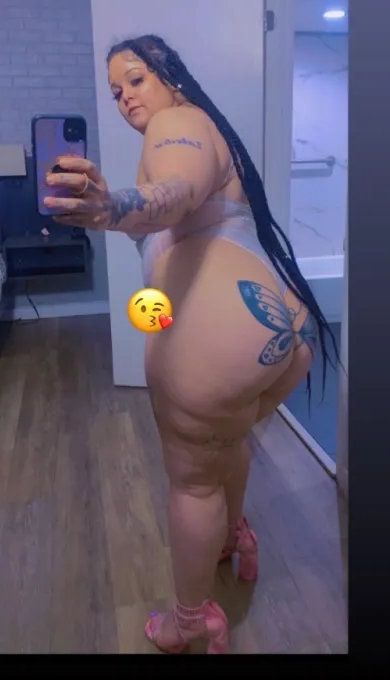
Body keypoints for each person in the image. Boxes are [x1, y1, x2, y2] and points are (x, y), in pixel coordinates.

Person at [44, 35, 339, 655]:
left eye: (136, 79)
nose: (125, 98)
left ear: (170, 75)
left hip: (217, 334)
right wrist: (117, 209)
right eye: (116, 90)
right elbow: (180, 205)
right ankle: (233, 538)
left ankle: (188, 621)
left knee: (194, 482)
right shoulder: (208, 127)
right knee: (226, 444)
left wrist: (111, 205)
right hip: (285, 329)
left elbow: (175, 191)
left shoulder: (177, 124)